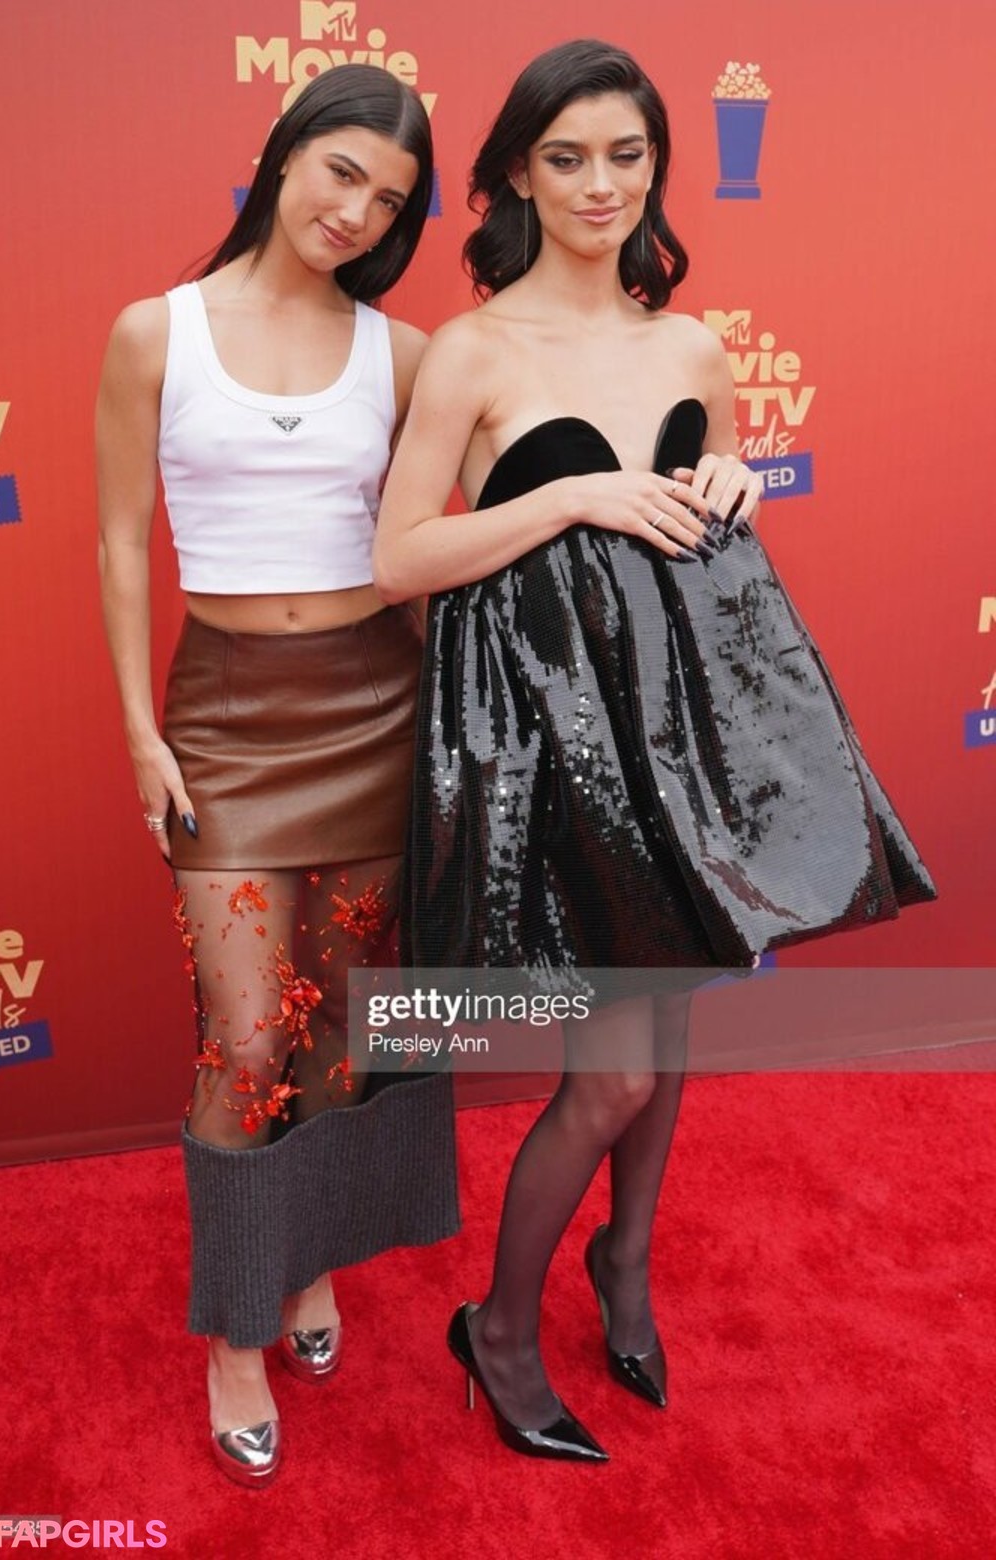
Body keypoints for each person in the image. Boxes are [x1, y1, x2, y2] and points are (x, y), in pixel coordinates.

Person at [373, 39, 935, 1463]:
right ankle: (499, 1328)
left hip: (686, 730)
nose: (600, 184)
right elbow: (402, 558)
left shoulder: (689, 346)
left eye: (626, 155)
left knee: (669, 1029)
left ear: (657, 167)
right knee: (615, 1073)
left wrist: (734, 480)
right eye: (566, 157)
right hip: (558, 738)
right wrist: (576, 499)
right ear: (515, 173)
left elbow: (706, 537)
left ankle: (623, 1265)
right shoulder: (473, 350)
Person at [96, 64, 458, 1487]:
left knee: (337, 1024)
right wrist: (142, 730)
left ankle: (309, 1265)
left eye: (391, 200)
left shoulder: (405, 353)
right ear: (285, 153)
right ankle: (239, 1333)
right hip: (226, 719)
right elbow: (122, 540)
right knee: (244, 1037)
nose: (358, 212)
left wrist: (708, 463)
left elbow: (464, 515)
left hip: (377, 708)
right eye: (343, 171)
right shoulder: (157, 332)